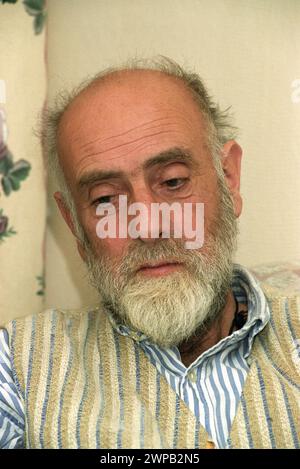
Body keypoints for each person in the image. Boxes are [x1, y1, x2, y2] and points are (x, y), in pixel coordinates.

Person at [0, 57, 299, 449]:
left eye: (173, 182)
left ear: (229, 179)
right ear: (75, 225)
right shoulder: (20, 366)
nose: (147, 225)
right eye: (106, 198)